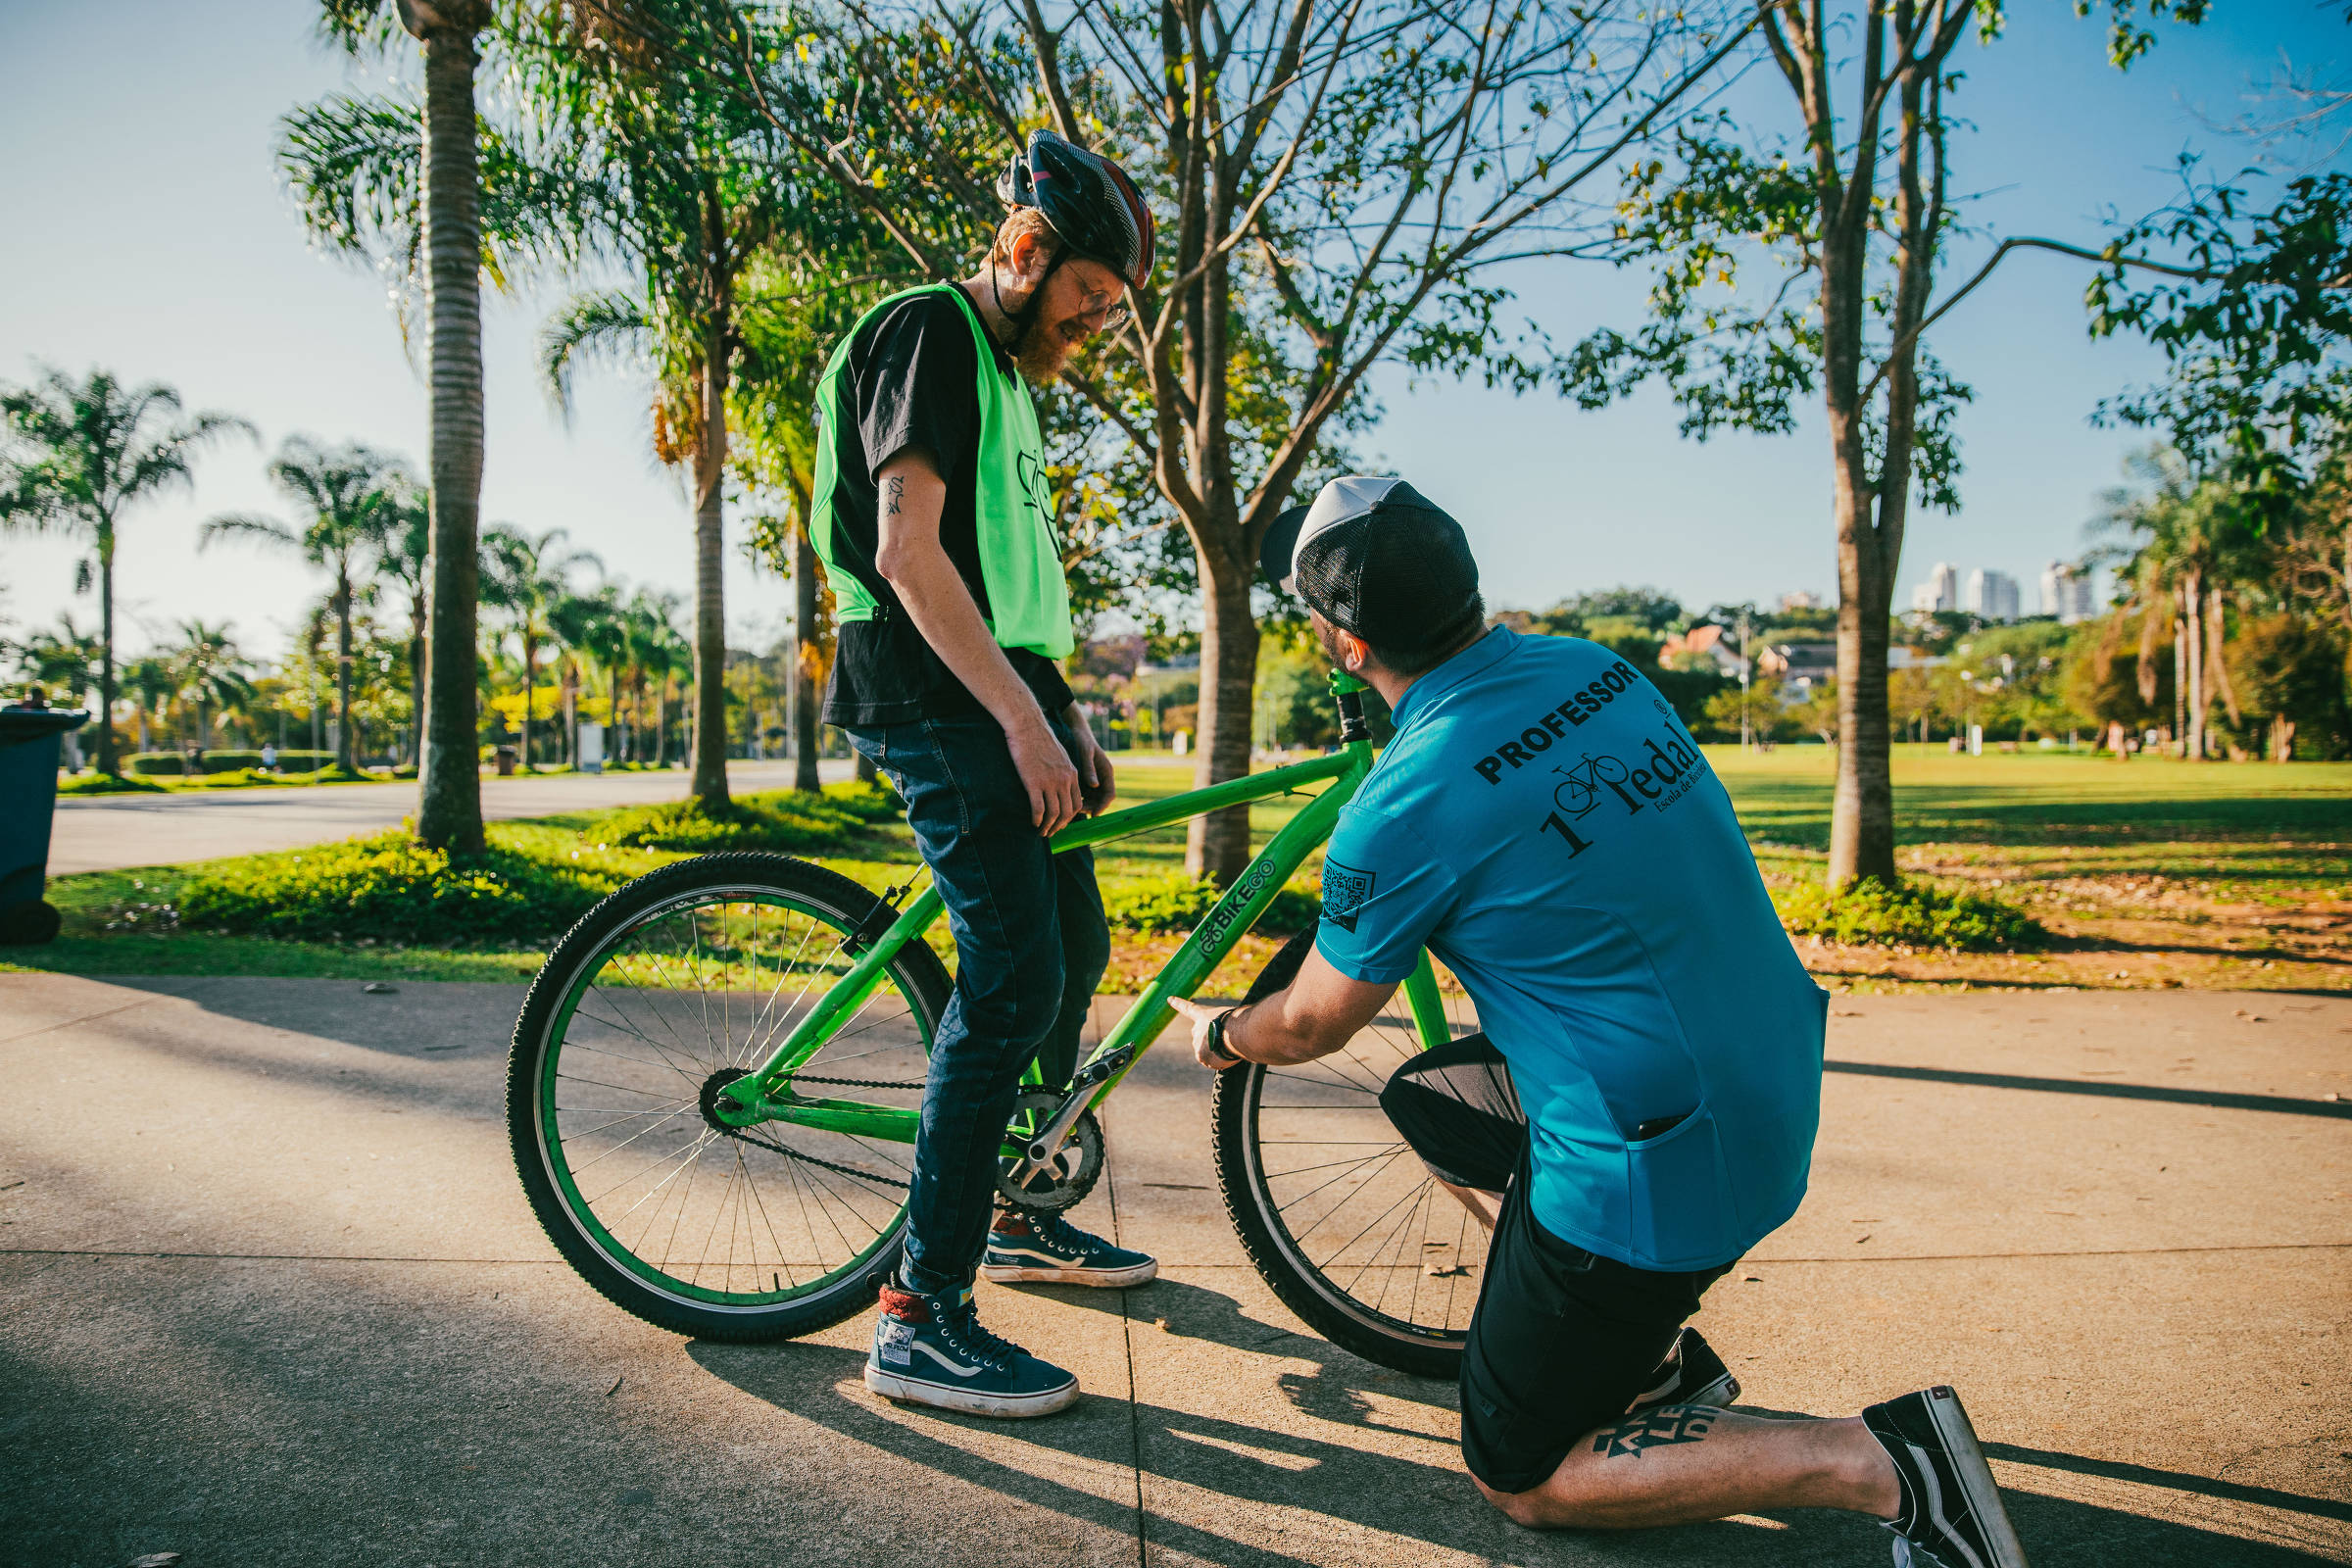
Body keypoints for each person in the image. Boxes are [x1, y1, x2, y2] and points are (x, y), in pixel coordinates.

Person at [1167, 476, 2030, 1567]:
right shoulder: (1597, 670)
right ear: (1470, 583)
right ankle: (1644, 1362)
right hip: (1771, 1079)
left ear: (1342, 643)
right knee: (1432, 1097)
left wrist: (1219, 1034)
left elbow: (1309, 1024)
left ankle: (1882, 1462)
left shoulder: (1406, 801)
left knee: (1521, 1467)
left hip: (1654, 1161)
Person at [809, 131, 1160, 1419]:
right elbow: (909, 553)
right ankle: (919, 1315)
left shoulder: (1009, 383)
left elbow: (999, 569)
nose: (1097, 318)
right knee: (1009, 975)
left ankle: (1010, 1208)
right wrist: (1017, 719)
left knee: (1069, 939)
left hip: (997, 677)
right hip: (925, 678)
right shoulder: (929, 335)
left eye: (1112, 306)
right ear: (1023, 248)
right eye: (1087, 290)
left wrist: (1056, 710)